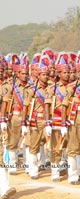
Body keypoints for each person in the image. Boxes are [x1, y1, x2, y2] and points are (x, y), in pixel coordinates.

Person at [61, 50, 80, 185]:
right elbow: (64, 106)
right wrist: (63, 123)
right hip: (74, 118)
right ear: (79, 72)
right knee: (73, 147)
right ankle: (73, 174)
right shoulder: (72, 87)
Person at [0, 54, 30, 175]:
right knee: (12, 142)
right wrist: (3, 119)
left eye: (26, 73)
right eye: (22, 73)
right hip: (14, 116)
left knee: (28, 142)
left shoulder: (32, 85)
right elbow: (5, 103)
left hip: (28, 117)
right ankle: (12, 164)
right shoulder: (10, 85)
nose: (24, 75)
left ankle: (29, 166)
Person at [22, 55, 50, 179]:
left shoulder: (51, 87)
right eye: (43, 74)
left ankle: (53, 169)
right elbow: (25, 106)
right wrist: (24, 123)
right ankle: (33, 169)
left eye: (47, 74)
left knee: (51, 145)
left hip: (48, 120)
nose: (46, 76)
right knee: (34, 146)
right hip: (36, 120)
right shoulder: (31, 89)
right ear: (38, 75)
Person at [44, 53, 70, 182]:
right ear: (59, 73)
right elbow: (47, 105)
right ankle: (55, 171)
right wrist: (48, 122)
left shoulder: (73, 87)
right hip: (56, 120)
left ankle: (70, 169)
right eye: (65, 72)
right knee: (55, 146)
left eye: (68, 72)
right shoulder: (52, 88)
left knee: (69, 146)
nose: (67, 75)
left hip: (69, 120)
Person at [0, 56, 16, 199]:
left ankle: (5, 187)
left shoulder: (4, 87)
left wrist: (2, 120)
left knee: (0, 156)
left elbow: (4, 105)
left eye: (2, 69)